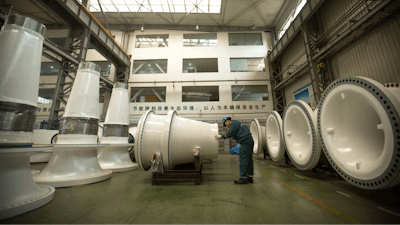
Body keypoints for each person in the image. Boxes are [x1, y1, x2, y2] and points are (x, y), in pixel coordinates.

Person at [215, 117, 254, 184]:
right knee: (249, 159)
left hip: (245, 142)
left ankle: (243, 178)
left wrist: (220, 136)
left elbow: (230, 134)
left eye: (225, 124)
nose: (226, 126)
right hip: (250, 141)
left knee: (243, 160)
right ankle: (249, 177)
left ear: (227, 121)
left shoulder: (233, 124)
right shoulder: (237, 123)